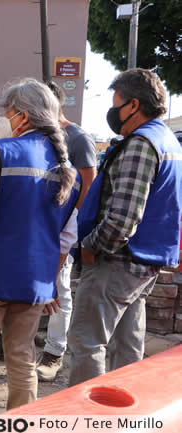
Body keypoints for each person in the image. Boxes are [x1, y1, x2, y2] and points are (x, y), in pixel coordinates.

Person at [0, 78, 80, 414]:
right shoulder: (69, 171)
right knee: (23, 359)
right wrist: (50, 282)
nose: (3, 119)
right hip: (35, 284)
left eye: (7, 111)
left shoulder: (0, 152)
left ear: (22, 116)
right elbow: (66, 239)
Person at [69, 68, 182, 386]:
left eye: (116, 102)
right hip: (145, 262)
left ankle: (86, 418)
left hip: (117, 262)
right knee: (127, 347)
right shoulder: (168, 141)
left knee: (87, 344)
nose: (112, 110)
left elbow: (121, 221)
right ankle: (122, 416)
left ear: (133, 105)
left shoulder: (140, 145)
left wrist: (89, 246)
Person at [35, 82, 98, 382]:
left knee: (59, 286)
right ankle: (26, 337)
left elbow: (89, 186)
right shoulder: (42, 135)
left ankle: (55, 351)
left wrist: (71, 225)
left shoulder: (78, 139)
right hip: (38, 225)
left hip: (64, 228)